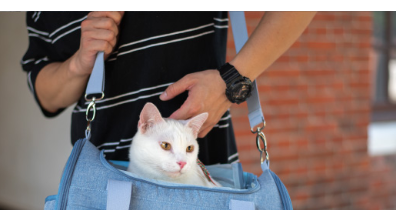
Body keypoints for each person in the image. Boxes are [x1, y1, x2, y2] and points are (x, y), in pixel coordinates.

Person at [21, 11, 316, 164]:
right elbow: (46, 96)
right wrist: (78, 63)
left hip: (200, 179)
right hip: (99, 190)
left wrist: (233, 79)